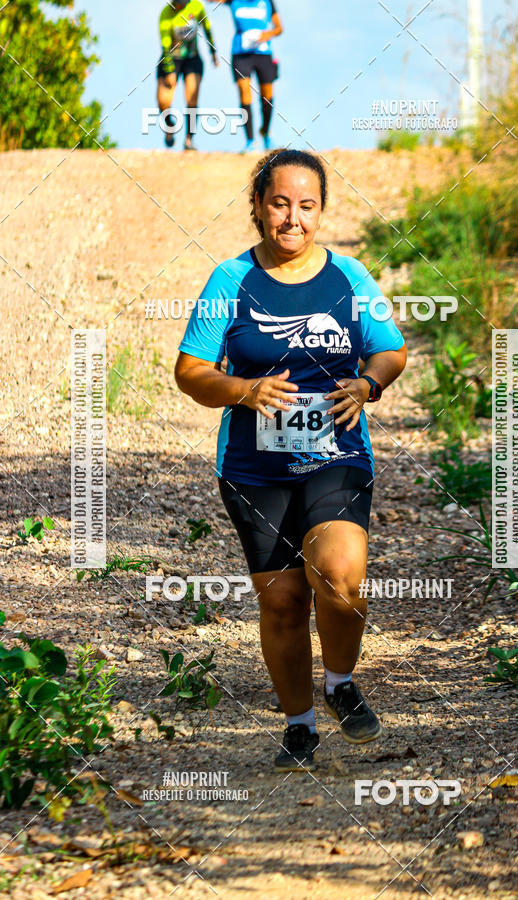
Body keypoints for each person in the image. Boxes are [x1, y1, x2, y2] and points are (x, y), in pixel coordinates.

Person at [175, 149, 407, 772]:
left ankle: (340, 682)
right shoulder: (231, 280)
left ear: (322, 210)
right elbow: (190, 371)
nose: (292, 218)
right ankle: (299, 725)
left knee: (340, 573)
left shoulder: (350, 277)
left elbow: (391, 349)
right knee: (281, 602)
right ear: (257, 206)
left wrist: (368, 384)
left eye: (307, 205)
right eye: (279, 203)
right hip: (254, 469)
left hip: (337, 453)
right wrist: (243, 389)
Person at [208, 0, 282, 152]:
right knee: (244, 93)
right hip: (241, 55)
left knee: (267, 96)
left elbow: (279, 28)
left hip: (263, 54)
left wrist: (269, 33)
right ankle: (250, 141)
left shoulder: (267, 2)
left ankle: (266, 132)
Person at [157, 0, 219, 151]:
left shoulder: (196, 7)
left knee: (192, 98)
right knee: (163, 101)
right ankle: (169, 126)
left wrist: (213, 52)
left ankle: (189, 139)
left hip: (192, 59)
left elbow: (207, 28)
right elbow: (165, 45)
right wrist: (169, 70)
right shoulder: (166, 13)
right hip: (171, 58)